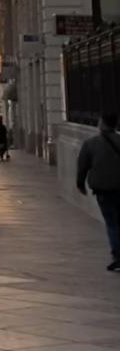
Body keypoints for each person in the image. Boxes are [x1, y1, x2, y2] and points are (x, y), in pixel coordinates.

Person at [76, 111, 120, 272]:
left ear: (101, 123)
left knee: (112, 223)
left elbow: (82, 166)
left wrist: (80, 183)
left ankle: (117, 256)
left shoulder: (91, 144)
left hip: (103, 190)